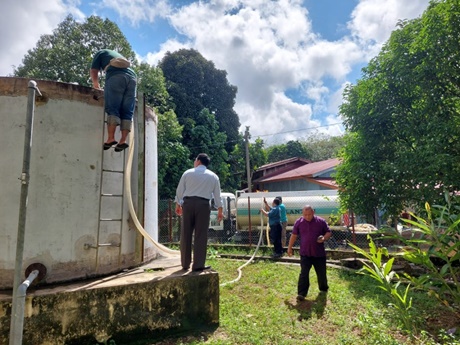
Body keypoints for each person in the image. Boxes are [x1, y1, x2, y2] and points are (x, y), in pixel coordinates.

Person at [175, 153, 223, 272]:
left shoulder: (188, 173)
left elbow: (180, 190)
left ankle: (185, 264)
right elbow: (218, 195)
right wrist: (220, 210)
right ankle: (198, 265)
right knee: (201, 235)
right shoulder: (213, 176)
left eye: (195, 160)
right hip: (203, 205)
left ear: (198, 161)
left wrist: (178, 204)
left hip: (188, 204)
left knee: (186, 233)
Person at [90, 49, 137, 152]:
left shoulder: (100, 53)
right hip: (133, 77)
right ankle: (123, 141)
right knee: (127, 110)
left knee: (113, 107)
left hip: (116, 76)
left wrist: (96, 86)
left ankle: (110, 138)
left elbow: (94, 71)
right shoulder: (117, 56)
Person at [287, 205, 332, 301]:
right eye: (305, 215)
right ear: (302, 214)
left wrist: (324, 238)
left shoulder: (321, 222)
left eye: (309, 214)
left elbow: (328, 232)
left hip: (318, 253)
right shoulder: (299, 222)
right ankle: (301, 294)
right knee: (304, 273)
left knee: (321, 273)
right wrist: (289, 248)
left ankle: (323, 289)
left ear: (313, 213)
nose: (307, 216)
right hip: (305, 253)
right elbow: (294, 235)